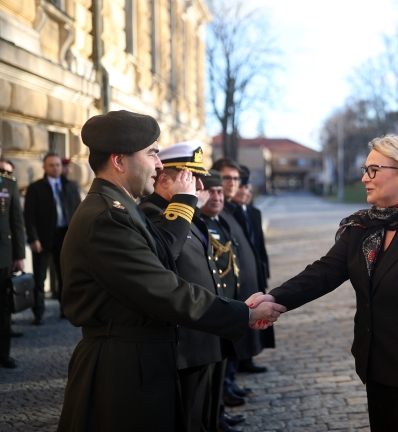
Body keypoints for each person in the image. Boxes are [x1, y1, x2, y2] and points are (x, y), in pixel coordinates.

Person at [57, 110, 285, 432]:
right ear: (120, 161)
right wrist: (242, 314)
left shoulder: (123, 210)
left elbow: (163, 256)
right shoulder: (108, 217)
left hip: (139, 363)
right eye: (151, 153)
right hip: (122, 370)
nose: (159, 163)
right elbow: (166, 290)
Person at [250, 134, 398, 431]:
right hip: (376, 369)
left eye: (373, 170)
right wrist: (274, 299)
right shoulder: (362, 228)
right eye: (365, 170)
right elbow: (323, 273)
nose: (365, 178)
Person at [139, 141, 225, 432]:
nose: (199, 185)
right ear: (164, 180)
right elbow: (165, 254)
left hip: (203, 334)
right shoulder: (152, 214)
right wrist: (184, 203)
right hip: (184, 339)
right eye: (191, 178)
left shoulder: (182, 211)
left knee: (203, 416)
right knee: (187, 419)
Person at [200, 170, 248, 432]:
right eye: (211, 192)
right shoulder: (199, 223)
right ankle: (213, 418)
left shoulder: (220, 221)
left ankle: (218, 414)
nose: (217, 197)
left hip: (226, 305)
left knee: (222, 367)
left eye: (220, 192)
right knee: (210, 375)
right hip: (211, 307)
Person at [24, 152, 82, 323]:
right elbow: (29, 216)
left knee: (64, 275)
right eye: (51, 165)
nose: (55, 168)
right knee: (39, 278)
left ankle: (66, 310)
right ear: (44, 167)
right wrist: (33, 238)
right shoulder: (35, 188)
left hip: (65, 236)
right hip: (42, 238)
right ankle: (38, 313)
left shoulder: (70, 186)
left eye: (58, 165)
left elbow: (78, 211)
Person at [231, 165, 272, 374]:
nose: (245, 193)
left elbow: (260, 247)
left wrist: (264, 271)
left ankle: (249, 358)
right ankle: (241, 361)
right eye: (242, 188)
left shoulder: (253, 213)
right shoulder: (231, 213)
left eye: (248, 189)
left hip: (255, 270)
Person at [0, 145, 25, 369]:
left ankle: (3, 354)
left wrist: (19, 255)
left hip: (3, 257)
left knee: (4, 308)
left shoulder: (7, 184)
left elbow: (17, 221)